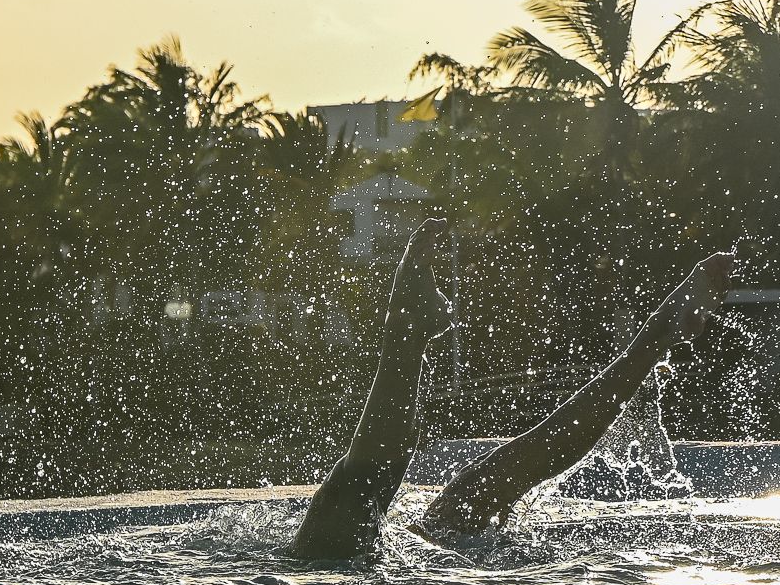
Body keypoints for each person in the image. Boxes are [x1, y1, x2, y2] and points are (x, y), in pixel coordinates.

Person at [291, 218, 734, 560]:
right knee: (466, 494)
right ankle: (652, 340)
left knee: (358, 516)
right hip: (403, 583)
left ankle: (406, 333)